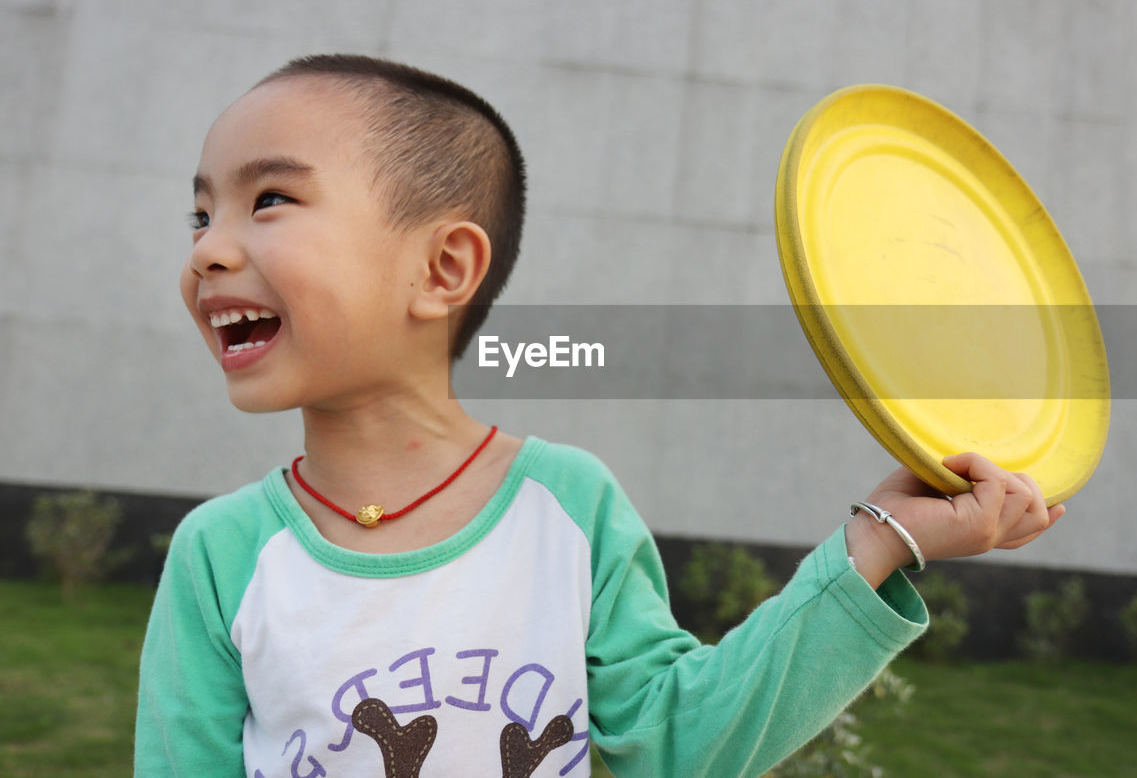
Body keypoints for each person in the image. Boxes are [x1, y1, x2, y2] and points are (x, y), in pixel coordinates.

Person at [134, 54, 1064, 778]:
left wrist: (884, 540)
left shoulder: (567, 508)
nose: (210, 249)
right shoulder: (220, 556)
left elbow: (680, 741)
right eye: (200, 215)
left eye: (269, 200)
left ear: (444, 269)